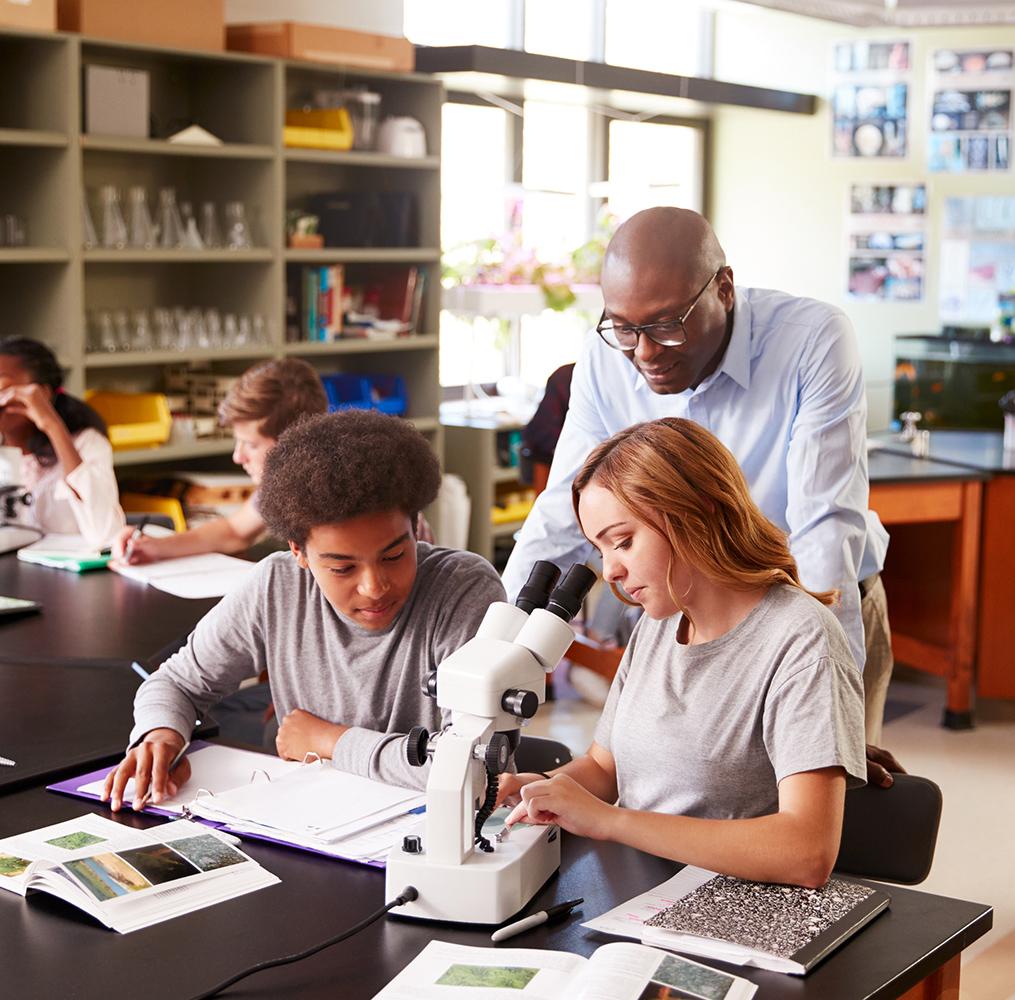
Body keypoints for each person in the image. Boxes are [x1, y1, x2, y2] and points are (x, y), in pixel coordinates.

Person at [503, 207, 898, 760]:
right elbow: (559, 514)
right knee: (689, 801)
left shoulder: (813, 340)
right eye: (623, 327)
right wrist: (498, 642)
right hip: (688, 615)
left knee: (818, 819)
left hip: (811, 606)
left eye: (667, 324)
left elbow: (824, 530)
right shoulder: (606, 357)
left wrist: (824, 686)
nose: (643, 352)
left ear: (725, 288)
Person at [501, 418, 867, 888]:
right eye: (600, 549)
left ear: (694, 513)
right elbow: (604, 768)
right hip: (640, 890)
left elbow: (805, 853)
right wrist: (539, 791)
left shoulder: (801, 640)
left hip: (732, 910)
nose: (609, 570)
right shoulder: (661, 620)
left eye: (623, 541)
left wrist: (610, 822)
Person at [102, 410, 505, 810]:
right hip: (309, 824)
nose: (374, 586)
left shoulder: (464, 591)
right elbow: (178, 682)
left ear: (416, 527)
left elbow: (473, 771)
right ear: (299, 552)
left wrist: (331, 741)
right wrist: (161, 735)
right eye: (342, 568)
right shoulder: (277, 585)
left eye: (395, 555)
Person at [112, 358, 327, 564]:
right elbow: (234, 531)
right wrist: (155, 547)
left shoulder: (330, 494)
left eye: (251, 444)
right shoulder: (281, 485)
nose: (237, 456)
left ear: (294, 442)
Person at [0, 337, 124, 547]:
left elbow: (106, 534)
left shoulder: (86, 443)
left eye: (3, 387)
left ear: (44, 393)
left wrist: (52, 425)